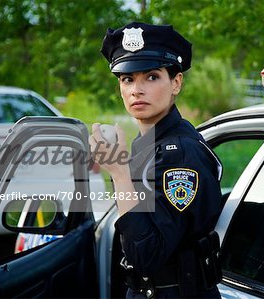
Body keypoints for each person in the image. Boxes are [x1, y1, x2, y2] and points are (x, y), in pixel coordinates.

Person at [89, 22, 223, 298]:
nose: (137, 89)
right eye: (128, 79)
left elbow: (146, 256)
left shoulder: (181, 155)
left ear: (176, 82)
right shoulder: (147, 143)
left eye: (151, 77)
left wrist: (120, 174)